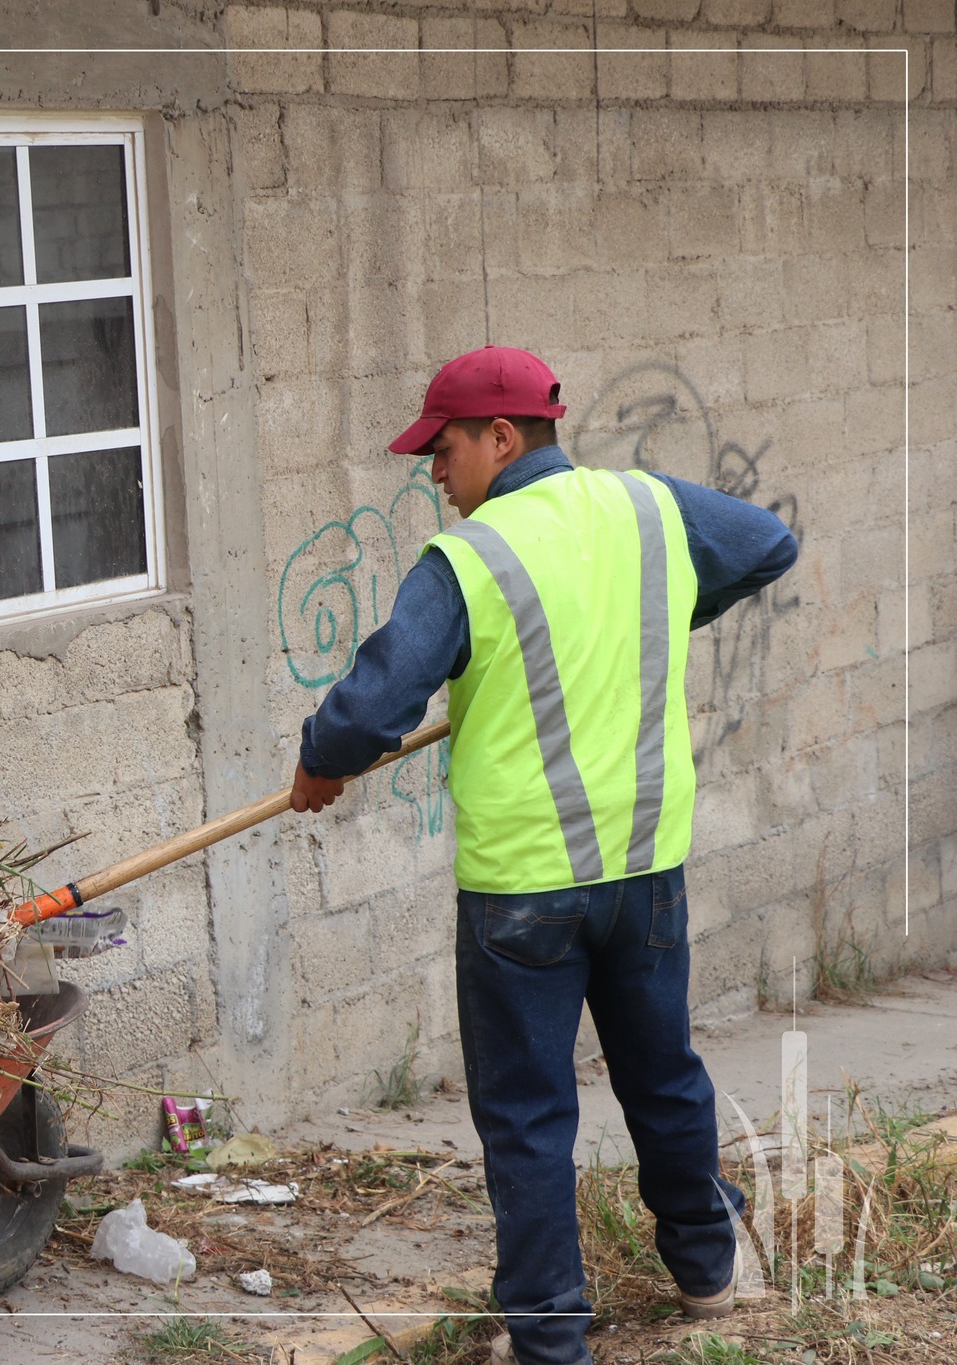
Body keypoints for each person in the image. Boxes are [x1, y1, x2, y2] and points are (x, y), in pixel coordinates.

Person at [288, 346, 797, 1365]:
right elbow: (766, 544)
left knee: (526, 1119)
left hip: (523, 896)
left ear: (500, 438)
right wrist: (662, 613)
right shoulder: (647, 510)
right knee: (662, 1076)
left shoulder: (471, 558)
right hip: (643, 870)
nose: (433, 472)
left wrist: (320, 765)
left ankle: (551, 1341)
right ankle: (705, 1272)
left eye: (441, 449)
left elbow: (372, 704)